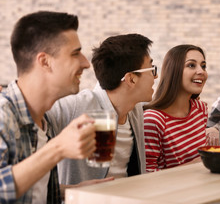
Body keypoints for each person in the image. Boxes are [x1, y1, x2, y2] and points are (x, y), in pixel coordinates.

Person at [0, 11, 96, 203]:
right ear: (45, 61)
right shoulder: (3, 116)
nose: (86, 63)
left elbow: (35, 191)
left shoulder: (44, 120)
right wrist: (57, 149)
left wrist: (71, 191)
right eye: (75, 53)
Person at [46, 34, 157, 187]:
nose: (155, 76)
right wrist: (70, 190)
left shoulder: (134, 109)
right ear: (131, 79)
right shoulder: (77, 107)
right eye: (152, 70)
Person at [144, 44, 208, 172]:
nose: (201, 71)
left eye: (203, 66)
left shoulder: (200, 109)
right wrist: (194, 165)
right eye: (191, 65)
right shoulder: (153, 120)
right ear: (173, 70)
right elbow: (147, 176)